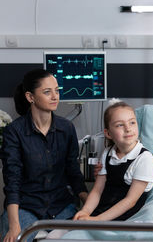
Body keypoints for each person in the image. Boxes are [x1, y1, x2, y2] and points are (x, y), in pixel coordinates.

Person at [0, 69, 88, 242]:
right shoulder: (14, 132)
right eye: (47, 92)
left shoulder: (67, 129)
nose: (55, 96)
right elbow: (13, 180)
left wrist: (90, 204)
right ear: (30, 97)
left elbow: (73, 172)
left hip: (62, 206)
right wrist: (14, 224)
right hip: (27, 207)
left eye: (57, 90)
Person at [73, 101, 153, 221]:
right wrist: (85, 211)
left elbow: (130, 201)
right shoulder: (107, 153)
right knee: (57, 235)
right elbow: (97, 191)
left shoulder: (144, 159)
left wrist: (98, 220)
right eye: (119, 125)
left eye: (132, 122)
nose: (128, 129)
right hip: (103, 211)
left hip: (126, 218)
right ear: (108, 133)